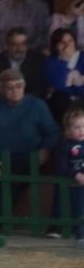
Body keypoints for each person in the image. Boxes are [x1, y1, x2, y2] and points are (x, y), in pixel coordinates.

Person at [0, 68, 59, 183]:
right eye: (9, 87)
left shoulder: (37, 105)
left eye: (19, 86)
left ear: (24, 86)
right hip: (0, 159)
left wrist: (45, 149)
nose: (15, 90)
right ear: (1, 89)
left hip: (29, 159)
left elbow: (53, 132)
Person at [0, 26, 46, 100]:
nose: (19, 48)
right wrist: (9, 99)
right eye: (15, 44)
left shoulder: (38, 59)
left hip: (30, 102)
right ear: (7, 45)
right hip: (4, 102)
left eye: (23, 44)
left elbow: (40, 88)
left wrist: (22, 101)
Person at [54, 106, 84, 248]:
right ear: (68, 130)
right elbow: (61, 166)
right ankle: (80, 235)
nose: (81, 130)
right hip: (74, 185)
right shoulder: (65, 146)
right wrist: (76, 174)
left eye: (83, 126)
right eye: (77, 127)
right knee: (79, 209)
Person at [44, 27, 84, 122]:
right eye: (62, 42)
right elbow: (59, 85)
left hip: (81, 99)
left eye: (70, 41)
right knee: (60, 98)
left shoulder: (82, 58)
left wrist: (78, 87)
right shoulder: (50, 61)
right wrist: (64, 60)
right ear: (56, 45)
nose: (67, 45)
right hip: (62, 101)